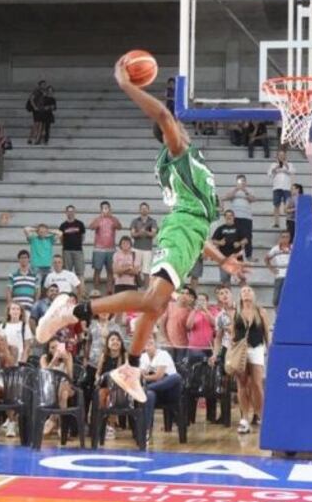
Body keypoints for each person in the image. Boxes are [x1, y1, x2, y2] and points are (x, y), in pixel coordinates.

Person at [35, 56, 246, 407]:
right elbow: (163, 116)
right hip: (180, 231)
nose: (182, 127)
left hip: (190, 235)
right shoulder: (178, 151)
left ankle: (131, 367)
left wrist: (221, 259)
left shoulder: (187, 165)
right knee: (153, 301)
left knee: (154, 308)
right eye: (177, 126)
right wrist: (127, 85)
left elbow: (197, 226)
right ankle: (73, 310)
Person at [232, 285, 270, 434]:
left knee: (257, 384)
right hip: (240, 350)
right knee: (241, 384)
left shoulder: (261, 312)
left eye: (249, 291)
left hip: (257, 348)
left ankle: (261, 415)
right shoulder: (236, 311)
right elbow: (233, 332)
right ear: (240, 295)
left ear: (253, 295)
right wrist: (232, 350)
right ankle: (244, 419)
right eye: (243, 291)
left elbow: (266, 332)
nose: (246, 293)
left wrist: (269, 348)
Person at [139, 336, 183, 440]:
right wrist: (145, 376)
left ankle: (146, 388)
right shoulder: (143, 357)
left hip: (169, 390)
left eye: (151, 342)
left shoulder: (163, 354)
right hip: (156, 391)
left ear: (155, 344)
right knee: (149, 394)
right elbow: (140, 374)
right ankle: (147, 430)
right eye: (146, 342)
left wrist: (146, 376)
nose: (149, 344)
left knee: (177, 377)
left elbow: (158, 375)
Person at [94, 331, 129, 440]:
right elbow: (98, 373)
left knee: (112, 396)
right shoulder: (104, 356)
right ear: (108, 343)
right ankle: (102, 424)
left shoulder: (124, 356)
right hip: (105, 385)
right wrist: (97, 379)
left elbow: (126, 373)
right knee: (101, 394)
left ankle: (111, 426)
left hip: (119, 387)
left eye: (118, 340)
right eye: (112, 340)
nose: (115, 342)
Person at [89, 201, 123, 295]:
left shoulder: (113, 219)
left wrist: (111, 217)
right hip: (98, 249)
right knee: (97, 270)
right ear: (101, 209)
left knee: (110, 271)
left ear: (110, 209)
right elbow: (91, 227)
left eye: (107, 208)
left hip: (111, 249)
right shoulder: (98, 219)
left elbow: (119, 227)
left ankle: (109, 291)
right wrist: (100, 218)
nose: (106, 210)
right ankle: (96, 290)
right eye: (103, 208)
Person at [223, 175, 256, 260]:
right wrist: (236, 189)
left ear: (246, 182)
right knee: (234, 236)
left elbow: (252, 199)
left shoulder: (249, 190)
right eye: (239, 181)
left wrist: (245, 191)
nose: (242, 183)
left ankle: (249, 256)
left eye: (243, 181)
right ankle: (234, 255)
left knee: (248, 236)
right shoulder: (233, 190)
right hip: (236, 216)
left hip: (247, 217)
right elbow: (227, 197)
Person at [212, 210, 247, 285]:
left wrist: (239, 243)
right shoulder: (220, 228)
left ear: (233, 217)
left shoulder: (239, 228)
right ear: (224, 217)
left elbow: (246, 240)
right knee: (225, 281)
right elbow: (213, 240)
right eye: (227, 215)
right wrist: (220, 243)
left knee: (241, 280)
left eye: (230, 215)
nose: (229, 217)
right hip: (224, 259)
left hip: (237, 259)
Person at [160, 288, 194, 362]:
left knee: (179, 366)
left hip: (183, 345)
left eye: (187, 294)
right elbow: (162, 324)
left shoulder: (190, 310)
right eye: (182, 293)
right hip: (169, 344)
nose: (184, 295)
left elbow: (189, 328)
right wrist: (166, 340)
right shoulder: (169, 306)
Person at [129, 203, 159, 285]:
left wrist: (144, 231)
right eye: (142, 208)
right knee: (136, 270)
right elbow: (132, 234)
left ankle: (146, 290)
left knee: (146, 271)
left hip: (147, 249)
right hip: (136, 248)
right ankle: (137, 287)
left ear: (149, 210)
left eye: (146, 208)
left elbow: (153, 234)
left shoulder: (153, 221)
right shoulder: (135, 221)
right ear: (139, 210)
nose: (144, 210)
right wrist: (139, 233)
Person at [59, 205, 87, 281]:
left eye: (72, 211)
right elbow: (61, 239)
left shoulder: (80, 224)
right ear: (66, 212)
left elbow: (83, 237)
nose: (70, 213)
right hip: (67, 251)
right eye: (69, 211)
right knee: (67, 272)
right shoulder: (62, 225)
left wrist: (76, 243)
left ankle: (81, 292)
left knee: (80, 273)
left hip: (78, 250)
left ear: (75, 212)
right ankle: (68, 291)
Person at [267, 150, 295, 228]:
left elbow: (292, 172)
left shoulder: (289, 164)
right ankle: (276, 223)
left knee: (288, 206)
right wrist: (275, 169)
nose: (282, 157)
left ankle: (288, 223)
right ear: (277, 156)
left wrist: (286, 166)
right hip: (277, 187)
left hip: (286, 187)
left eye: (283, 155)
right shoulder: (273, 165)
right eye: (280, 155)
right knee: (276, 205)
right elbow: (269, 174)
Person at [7, 249, 39, 316]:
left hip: (29, 308)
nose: (24, 259)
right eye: (22, 258)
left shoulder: (35, 276)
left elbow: (37, 292)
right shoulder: (12, 275)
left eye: (25, 257)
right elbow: (9, 292)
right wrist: (10, 306)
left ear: (28, 259)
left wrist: (34, 306)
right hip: (16, 309)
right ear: (19, 260)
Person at [265, 231, 291, 308]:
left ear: (289, 238)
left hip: (290, 276)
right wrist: (272, 269)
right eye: (283, 237)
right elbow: (266, 259)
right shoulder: (275, 249)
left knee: (289, 298)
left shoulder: (293, 248)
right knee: (276, 300)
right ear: (280, 238)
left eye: (287, 237)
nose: (285, 239)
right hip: (279, 276)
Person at [186, 293, 216, 361]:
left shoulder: (212, 311)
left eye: (203, 300)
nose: (201, 302)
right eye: (199, 300)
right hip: (195, 347)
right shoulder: (193, 312)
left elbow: (214, 323)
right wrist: (194, 311)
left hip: (208, 347)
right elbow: (188, 327)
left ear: (207, 302)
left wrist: (206, 310)